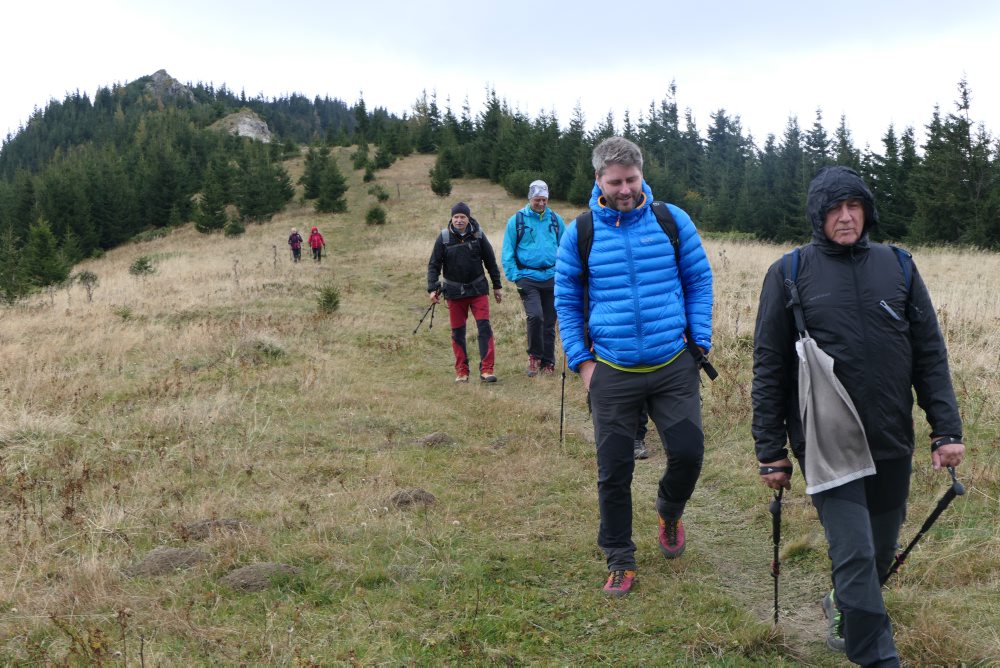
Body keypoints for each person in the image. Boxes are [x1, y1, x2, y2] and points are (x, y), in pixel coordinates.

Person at [751, 166, 965, 666]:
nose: (846, 218)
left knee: (878, 552)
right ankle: (877, 657)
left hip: (892, 437)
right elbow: (770, 367)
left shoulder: (900, 267)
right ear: (818, 216)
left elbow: (929, 354)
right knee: (854, 554)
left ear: (866, 210)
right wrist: (771, 451)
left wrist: (946, 429)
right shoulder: (788, 273)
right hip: (827, 443)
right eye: (834, 209)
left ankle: (843, 603)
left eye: (854, 207)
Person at [555, 137, 714, 596]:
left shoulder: (670, 220)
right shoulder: (581, 232)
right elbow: (566, 300)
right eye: (614, 182)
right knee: (614, 470)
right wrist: (583, 363)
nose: (624, 189)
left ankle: (669, 509)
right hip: (612, 369)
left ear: (641, 176)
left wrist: (697, 342)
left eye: (631, 180)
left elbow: (699, 280)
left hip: (672, 363)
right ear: (599, 181)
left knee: (688, 452)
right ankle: (620, 558)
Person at [427, 201, 504, 383]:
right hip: (454, 292)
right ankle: (462, 371)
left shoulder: (478, 235)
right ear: (451, 218)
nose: (459, 220)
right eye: (456, 217)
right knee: (457, 332)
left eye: (462, 217)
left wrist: (497, 286)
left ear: (468, 218)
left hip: (478, 290)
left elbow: (490, 262)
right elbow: (434, 265)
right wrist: (432, 288)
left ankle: (487, 370)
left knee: (484, 328)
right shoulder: (444, 238)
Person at [501, 179, 565, 377]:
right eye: (538, 199)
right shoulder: (517, 220)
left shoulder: (555, 220)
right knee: (535, 316)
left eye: (545, 199)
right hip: (527, 277)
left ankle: (548, 362)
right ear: (530, 198)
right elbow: (507, 250)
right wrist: (515, 276)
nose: (542, 203)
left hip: (553, 277)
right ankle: (534, 357)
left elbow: (566, 248)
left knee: (549, 321)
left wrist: (565, 273)